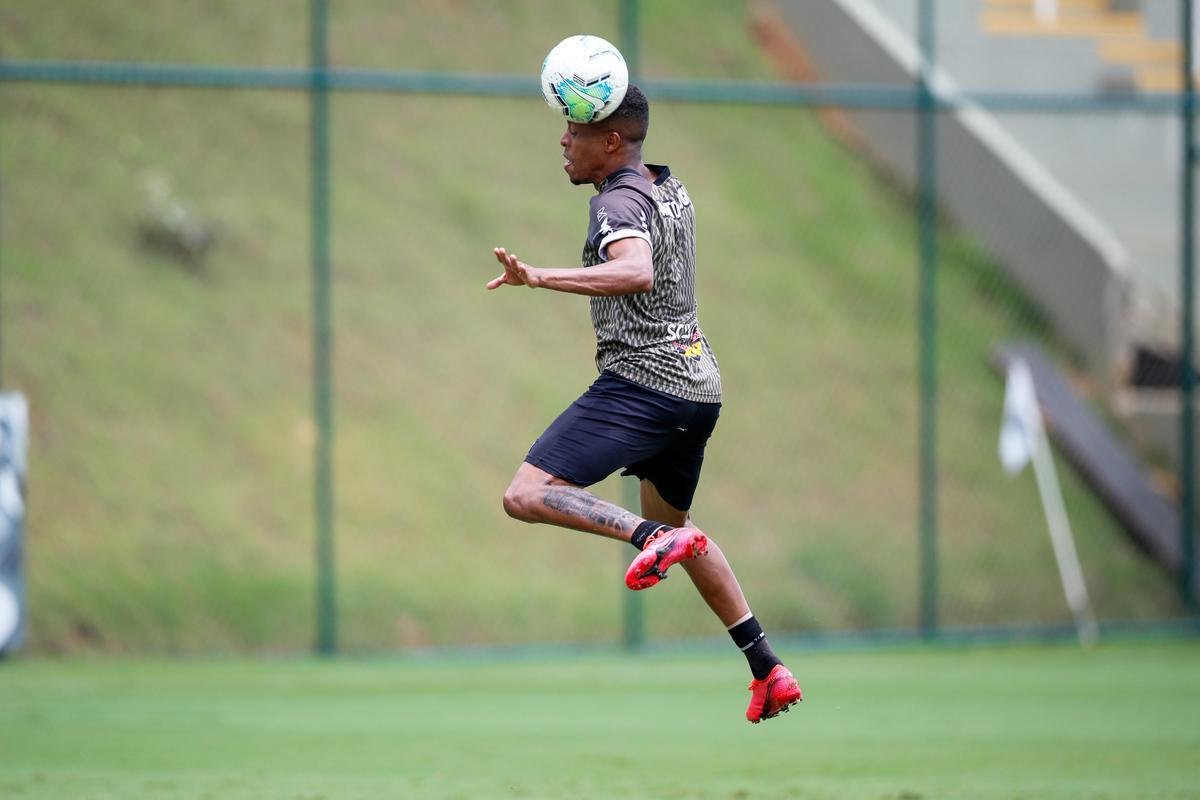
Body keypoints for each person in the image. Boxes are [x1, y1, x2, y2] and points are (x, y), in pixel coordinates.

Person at [486, 85, 802, 723]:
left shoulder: (616, 201)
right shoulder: (666, 185)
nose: (563, 140)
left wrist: (540, 276)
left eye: (576, 130)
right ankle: (767, 667)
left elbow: (635, 270)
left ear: (611, 141)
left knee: (524, 495)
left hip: (643, 385)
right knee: (687, 535)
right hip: (697, 386)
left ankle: (648, 538)